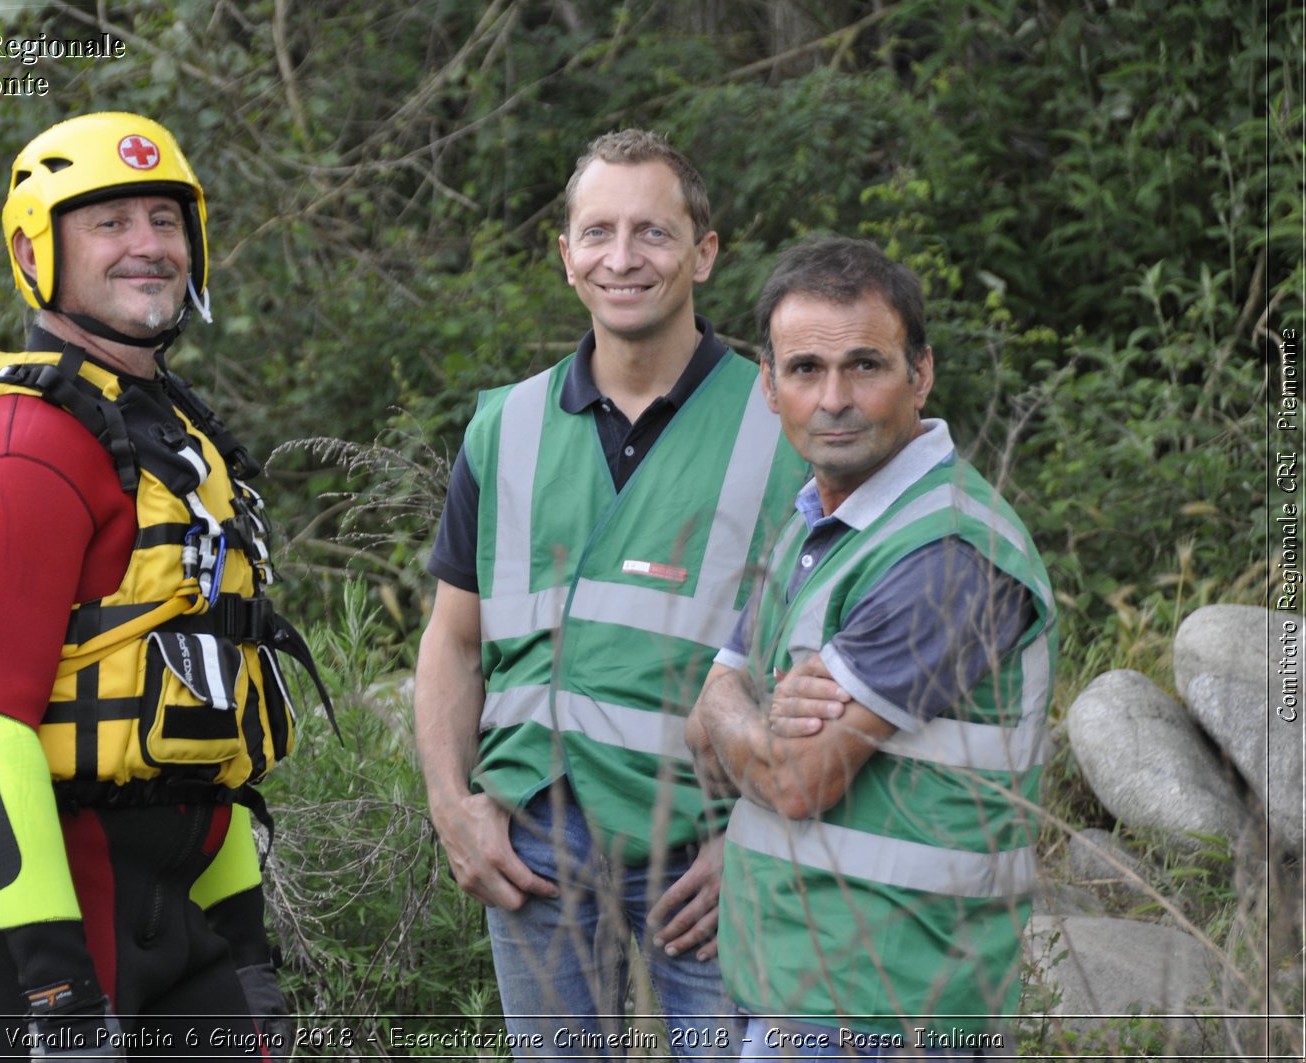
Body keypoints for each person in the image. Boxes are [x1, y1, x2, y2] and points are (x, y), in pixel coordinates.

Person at [0, 112, 309, 1059]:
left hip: (178, 908)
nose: (148, 245)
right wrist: (58, 989)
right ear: (32, 247)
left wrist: (247, 948)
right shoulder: (23, 448)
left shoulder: (169, 442)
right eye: (110, 222)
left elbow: (195, 718)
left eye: (165, 220)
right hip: (39, 919)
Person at [414, 128, 809, 1058]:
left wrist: (758, 842)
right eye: (597, 232)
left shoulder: (781, 424)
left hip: (709, 854)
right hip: (533, 842)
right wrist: (450, 804)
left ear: (704, 253)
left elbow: (821, 662)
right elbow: (454, 641)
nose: (622, 258)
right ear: (565, 257)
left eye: (653, 233)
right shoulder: (503, 428)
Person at [686, 236, 1055, 1060]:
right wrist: (734, 708)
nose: (835, 399)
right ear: (769, 385)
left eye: (866, 365)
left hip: (885, 1004)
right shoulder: (813, 523)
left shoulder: (950, 551)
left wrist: (733, 707)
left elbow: (793, 779)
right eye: (807, 370)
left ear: (920, 373)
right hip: (785, 980)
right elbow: (700, 727)